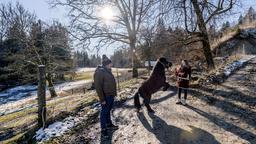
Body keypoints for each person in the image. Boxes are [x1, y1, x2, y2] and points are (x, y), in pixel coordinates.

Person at [93, 54, 118, 138]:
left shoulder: (108, 71)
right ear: (107, 64)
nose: (112, 64)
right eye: (111, 63)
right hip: (105, 96)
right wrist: (102, 99)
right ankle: (103, 130)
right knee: (104, 112)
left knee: (108, 111)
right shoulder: (99, 72)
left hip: (111, 95)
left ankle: (109, 124)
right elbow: (98, 87)